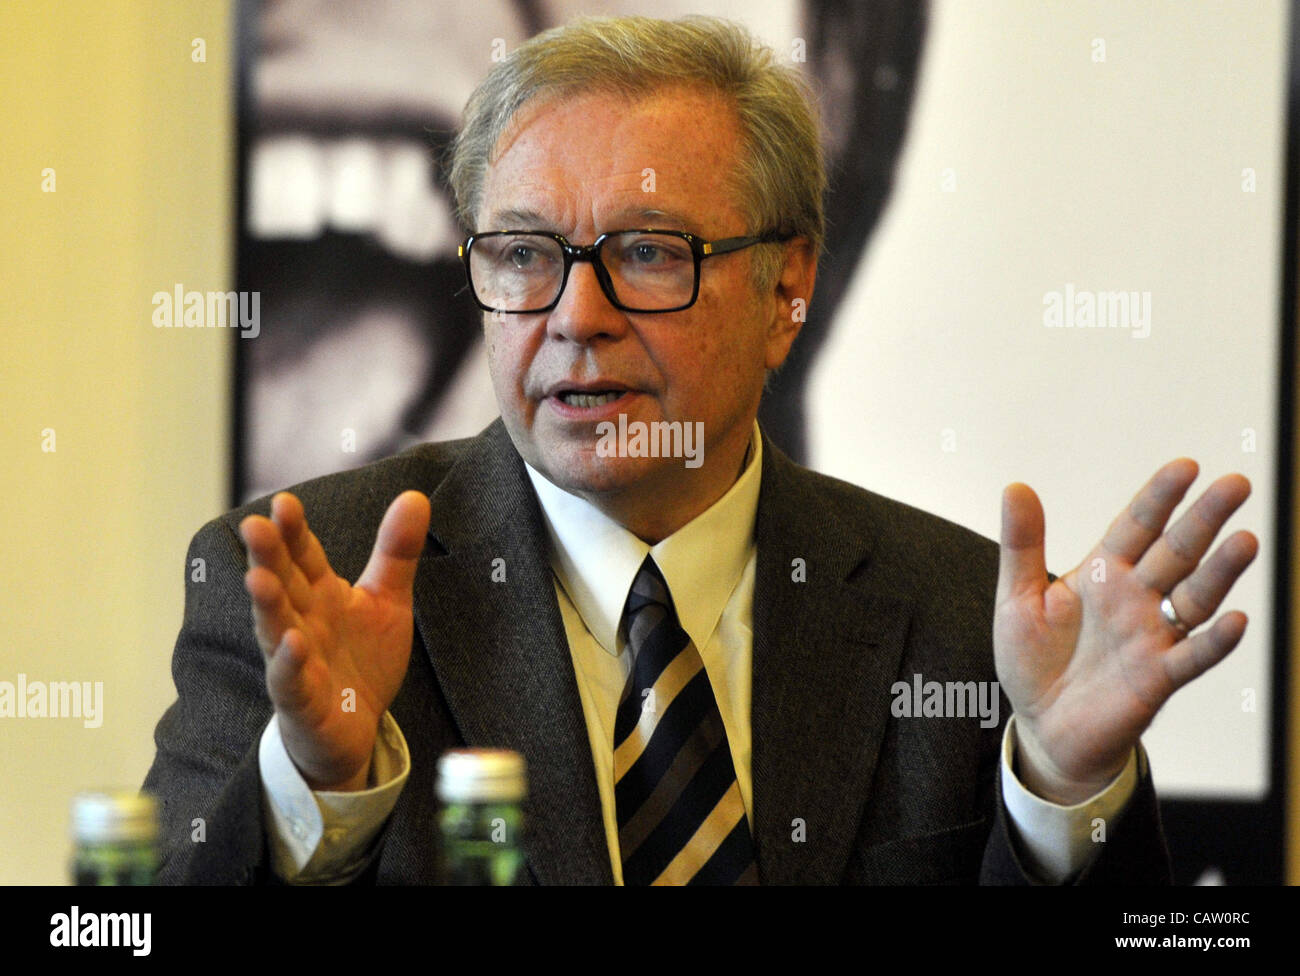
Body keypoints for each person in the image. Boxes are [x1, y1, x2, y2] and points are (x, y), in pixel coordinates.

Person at [144, 15, 1258, 885]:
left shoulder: (961, 620)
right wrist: (318, 795)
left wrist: (1061, 787)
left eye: (646, 251)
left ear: (787, 286)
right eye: (523, 255)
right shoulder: (305, 586)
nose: (575, 315)